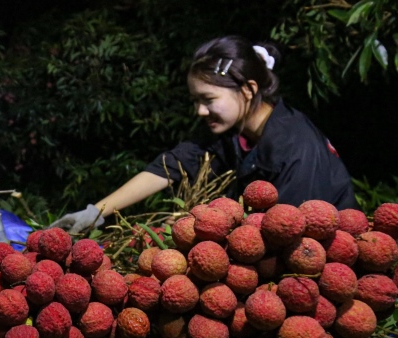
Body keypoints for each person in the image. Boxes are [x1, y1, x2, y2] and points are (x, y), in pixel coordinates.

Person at [52, 35, 358, 234]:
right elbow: (173, 164)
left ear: (249, 89)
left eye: (208, 100)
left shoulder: (294, 147)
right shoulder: (234, 133)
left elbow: (286, 231)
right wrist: (96, 212)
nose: (200, 111)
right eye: (195, 101)